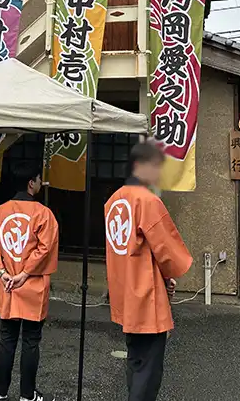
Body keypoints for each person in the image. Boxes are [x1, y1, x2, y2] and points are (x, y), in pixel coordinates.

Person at [105, 141, 193, 401]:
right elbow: (166, 249)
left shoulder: (113, 200)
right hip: (146, 293)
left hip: (124, 289)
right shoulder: (147, 201)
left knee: (135, 360)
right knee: (149, 369)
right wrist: (169, 276)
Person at [0, 162, 59, 401]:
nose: (41, 183)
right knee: (31, 341)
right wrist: (25, 273)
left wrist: (3, 271)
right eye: (39, 179)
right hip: (33, 286)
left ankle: (0, 392)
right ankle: (27, 395)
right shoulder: (44, 214)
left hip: (8, 285)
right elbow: (45, 248)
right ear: (31, 183)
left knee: (7, 339)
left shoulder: (0, 212)